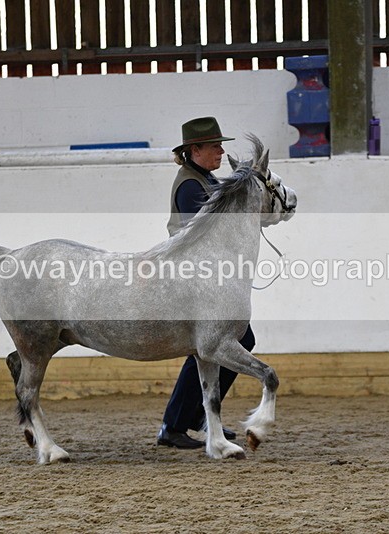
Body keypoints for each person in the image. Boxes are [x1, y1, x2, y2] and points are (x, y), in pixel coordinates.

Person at [156, 116, 256, 449]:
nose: (220, 152)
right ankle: (174, 425)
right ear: (195, 150)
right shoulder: (190, 186)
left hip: (204, 275)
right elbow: (199, 235)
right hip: (189, 277)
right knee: (217, 344)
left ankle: (197, 417)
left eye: (220, 146)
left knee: (231, 342)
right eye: (214, 146)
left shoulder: (206, 179)